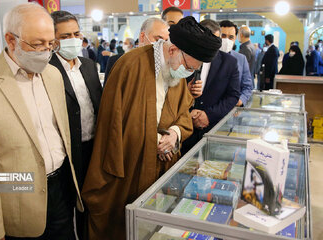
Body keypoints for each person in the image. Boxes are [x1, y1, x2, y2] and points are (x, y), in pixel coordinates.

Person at [81, 16, 221, 240]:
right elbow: (114, 124)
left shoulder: (176, 70)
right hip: (128, 167)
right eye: (188, 66)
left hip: (161, 168)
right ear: (173, 49)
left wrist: (174, 134)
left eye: (194, 70)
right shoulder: (130, 64)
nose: (187, 72)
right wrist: (153, 141)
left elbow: (184, 115)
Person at [0, 3, 83, 240]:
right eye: (37, 44)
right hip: (19, 200)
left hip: (61, 190)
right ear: (11, 40)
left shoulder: (53, 74)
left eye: (51, 44)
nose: (46, 52)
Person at [49, 10, 102, 240]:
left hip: (93, 147)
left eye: (76, 33)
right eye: (65, 36)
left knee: (91, 204)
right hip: (67, 153)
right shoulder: (47, 69)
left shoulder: (89, 65)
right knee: (68, 206)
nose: (73, 39)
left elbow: (98, 103)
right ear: (53, 41)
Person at [181, 19, 240, 155]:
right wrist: (186, 113)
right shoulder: (182, 57)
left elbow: (233, 96)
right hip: (183, 128)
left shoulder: (229, 63)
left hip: (212, 130)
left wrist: (208, 115)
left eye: (217, 40)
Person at [104, 18, 169, 86]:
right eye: (158, 40)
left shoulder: (167, 66)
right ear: (142, 36)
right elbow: (109, 94)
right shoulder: (118, 62)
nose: (162, 44)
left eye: (166, 41)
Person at [219, 20, 252, 106]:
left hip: (233, 109)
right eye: (223, 36)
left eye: (230, 37)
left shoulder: (241, 59)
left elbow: (247, 86)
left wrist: (241, 100)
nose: (226, 40)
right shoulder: (209, 58)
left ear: (235, 38)